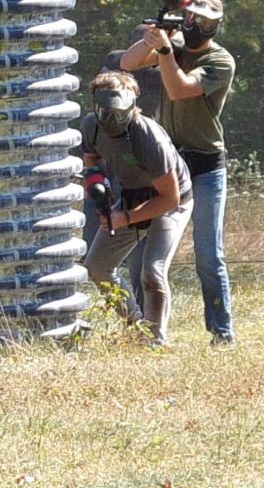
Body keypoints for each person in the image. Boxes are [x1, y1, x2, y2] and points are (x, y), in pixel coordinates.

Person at [121, 0, 236, 347]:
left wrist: (166, 50)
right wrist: (153, 38)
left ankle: (222, 333)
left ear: (215, 25)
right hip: (168, 162)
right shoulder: (175, 45)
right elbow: (128, 63)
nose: (196, 25)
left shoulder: (220, 60)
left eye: (205, 21)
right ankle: (144, 330)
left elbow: (179, 89)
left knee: (208, 254)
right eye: (192, 17)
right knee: (142, 248)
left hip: (206, 165)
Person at [81, 70, 192, 345]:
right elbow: (92, 159)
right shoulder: (91, 125)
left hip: (171, 202)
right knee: (97, 268)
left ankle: (156, 341)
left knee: (152, 271)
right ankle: (137, 328)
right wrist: (98, 185)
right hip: (131, 194)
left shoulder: (147, 136)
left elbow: (169, 198)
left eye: (117, 112)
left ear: (132, 105)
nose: (110, 118)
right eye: (105, 111)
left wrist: (126, 217)